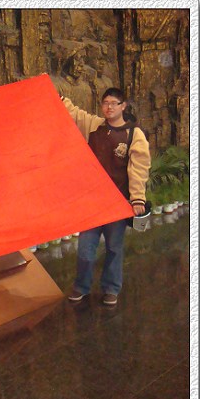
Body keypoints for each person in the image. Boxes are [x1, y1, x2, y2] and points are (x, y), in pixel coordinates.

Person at [61, 88, 151, 306]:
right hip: (92, 203)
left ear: (123, 106)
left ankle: (111, 288)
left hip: (117, 203)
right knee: (85, 250)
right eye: (105, 103)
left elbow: (138, 168)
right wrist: (57, 97)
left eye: (114, 103)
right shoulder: (94, 125)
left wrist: (137, 198)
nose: (109, 107)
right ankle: (81, 286)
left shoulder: (134, 134)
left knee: (114, 248)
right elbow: (74, 113)